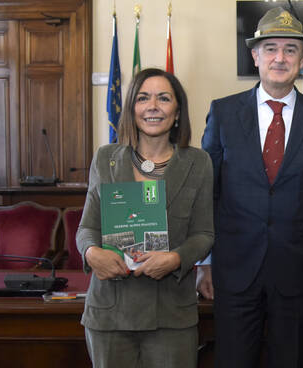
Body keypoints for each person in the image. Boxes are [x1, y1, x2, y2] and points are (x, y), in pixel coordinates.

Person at [197, 7, 303, 368]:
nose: (280, 57)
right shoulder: (223, 112)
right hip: (234, 270)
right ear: (255, 56)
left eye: (290, 49)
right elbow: (206, 191)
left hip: (298, 270)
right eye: (271, 48)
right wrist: (206, 261)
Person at [76, 68, 214, 367]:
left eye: (163, 98)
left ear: (177, 112)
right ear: (131, 109)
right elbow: (87, 226)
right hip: (110, 310)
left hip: (171, 313)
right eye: (143, 98)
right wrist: (91, 252)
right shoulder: (105, 157)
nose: (153, 106)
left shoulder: (198, 162)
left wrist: (176, 259)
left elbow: (204, 234)